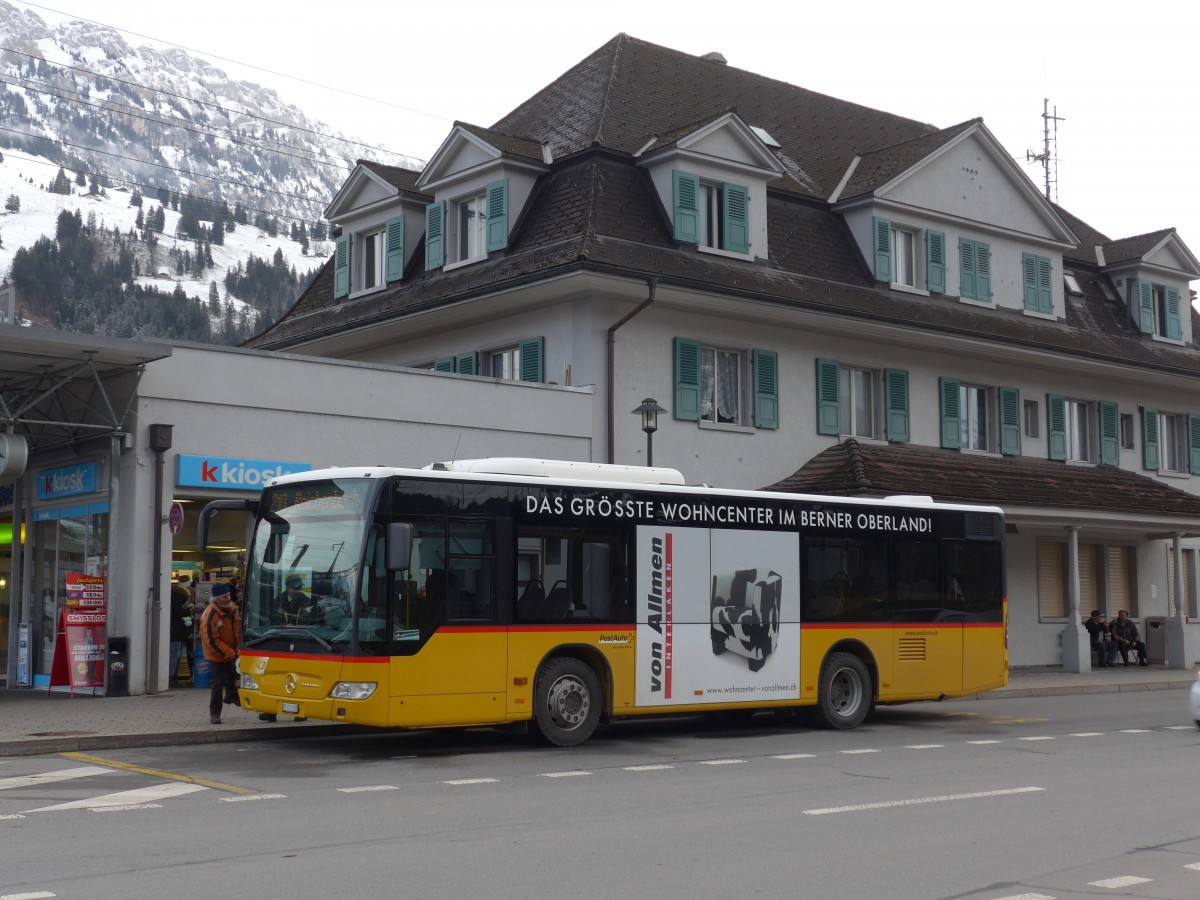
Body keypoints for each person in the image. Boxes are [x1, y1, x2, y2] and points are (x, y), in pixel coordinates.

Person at [200, 582, 241, 724]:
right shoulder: (210, 615)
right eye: (225, 596)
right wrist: (228, 652)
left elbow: (238, 631)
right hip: (216, 654)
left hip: (232, 651)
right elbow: (211, 640)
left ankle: (232, 696)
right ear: (217, 598)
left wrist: (236, 650)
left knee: (233, 677)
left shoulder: (234, 609)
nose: (228, 598)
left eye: (229, 595)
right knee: (217, 684)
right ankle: (215, 714)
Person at [168, 579, 193, 688]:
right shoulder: (179, 596)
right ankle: (171, 678)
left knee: (175, 654)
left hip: (173, 630)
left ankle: (172, 677)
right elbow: (179, 611)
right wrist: (189, 610)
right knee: (175, 654)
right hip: (176, 630)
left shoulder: (172, 594)